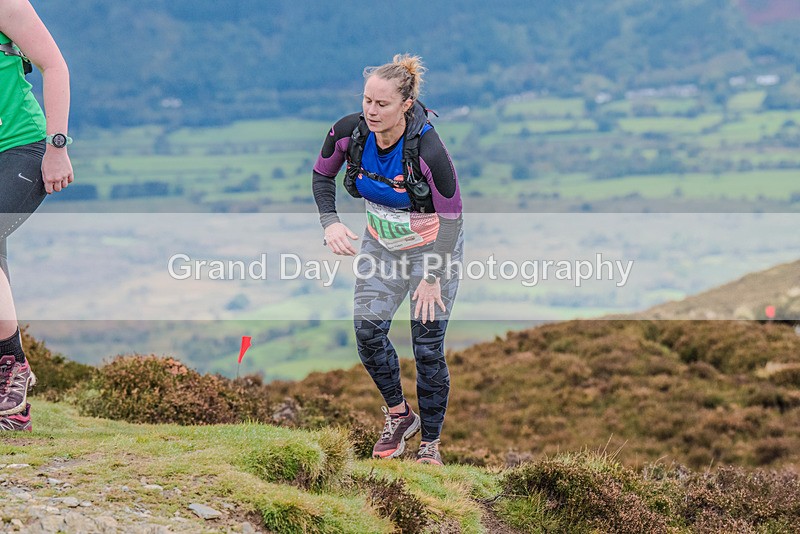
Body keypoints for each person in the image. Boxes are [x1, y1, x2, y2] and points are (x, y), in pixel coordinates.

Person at [313, 54, 463, 465]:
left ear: (406, 106)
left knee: (427, 347)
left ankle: (430, 446)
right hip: (381, 247)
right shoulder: (349, 132)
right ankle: (400, 416)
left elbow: (452, 219)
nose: (371, 111)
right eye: (367, 101)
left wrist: (431, 276)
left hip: (433, 252)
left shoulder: (428, 149)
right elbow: (322, 175)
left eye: (382, 104)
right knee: (367, 331)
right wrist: (330, 223)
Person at [0, 0, 73, 430]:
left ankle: (15, 364)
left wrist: (57, 146)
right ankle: (14, 410)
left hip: (23, 151)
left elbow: (55, 66)